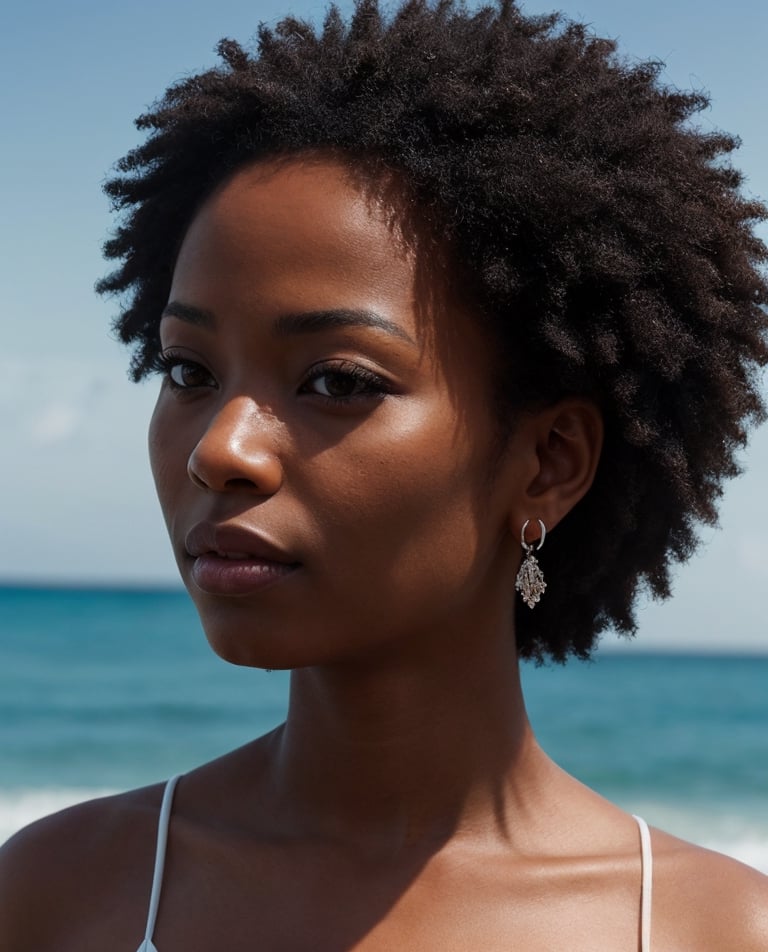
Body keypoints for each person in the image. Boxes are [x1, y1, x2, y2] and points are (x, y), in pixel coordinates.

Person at [1, 0, 767, 948]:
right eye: (189, 372)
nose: (219, 450)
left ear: (548, 462)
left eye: (336, 381)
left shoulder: (715, 931)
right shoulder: (61, 895)